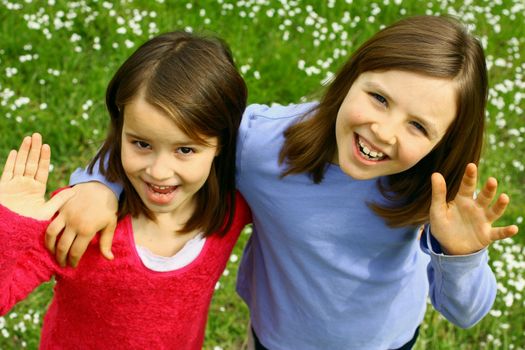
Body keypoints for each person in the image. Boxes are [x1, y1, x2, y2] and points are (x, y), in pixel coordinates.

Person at [48, 16, 518, 350]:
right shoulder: (261, 145)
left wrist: (462, 256)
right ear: (349, 77)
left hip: (385, 341)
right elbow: (168, 146)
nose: (384, 131)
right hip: (275, 337)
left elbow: (466, 312)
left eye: (419, 127)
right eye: (378, 98)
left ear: (442, 142)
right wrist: (96, 183)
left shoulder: (429, 194)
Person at [0, 30, 250, 349]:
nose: (159, 171)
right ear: (120, 131)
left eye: (185, 150)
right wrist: (9, 227)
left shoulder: (233, 207)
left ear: (221, 143)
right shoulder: (78, 219)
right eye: (141, 144)